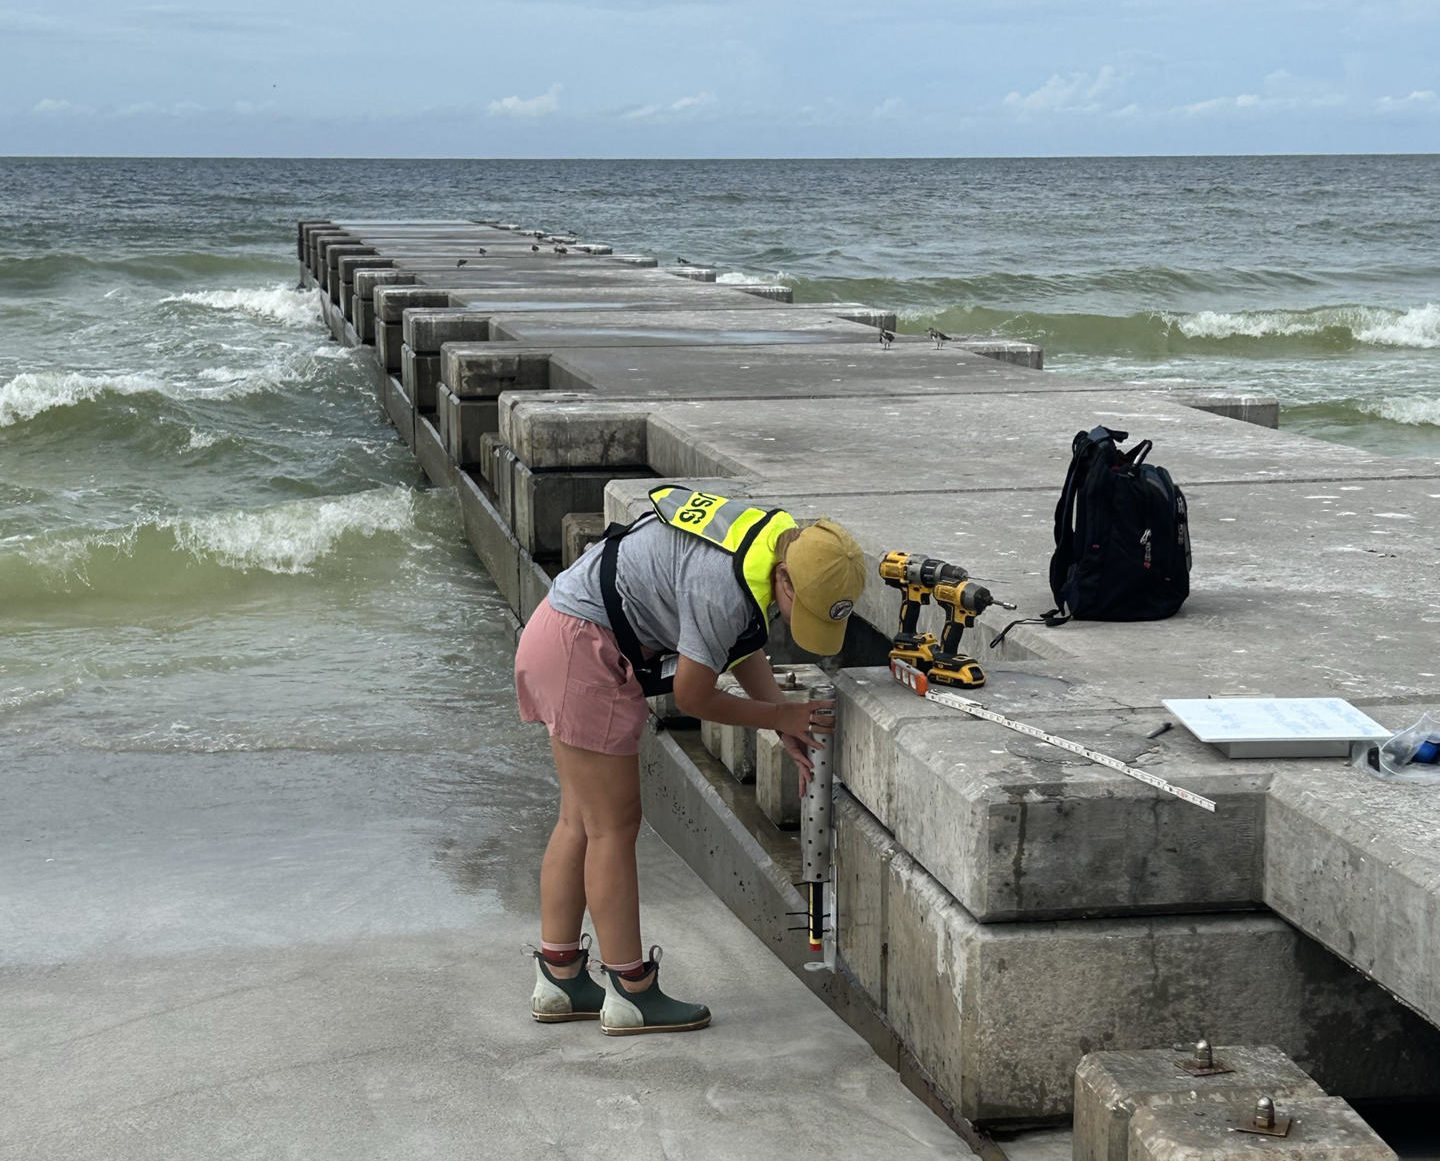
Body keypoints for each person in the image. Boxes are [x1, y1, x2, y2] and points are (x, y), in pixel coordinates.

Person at [514, 485, 866, 1035]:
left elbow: (740, 644)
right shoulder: (721, 585)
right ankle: (631, 992)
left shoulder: (767, 542)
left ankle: (559, 980)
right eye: (805, 611)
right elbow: (692, 696)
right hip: (585, 650)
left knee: (579, 820)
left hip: (562, 633)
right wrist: (781, 718)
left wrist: (779, 714)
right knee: (611, 827)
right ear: (786, 580)